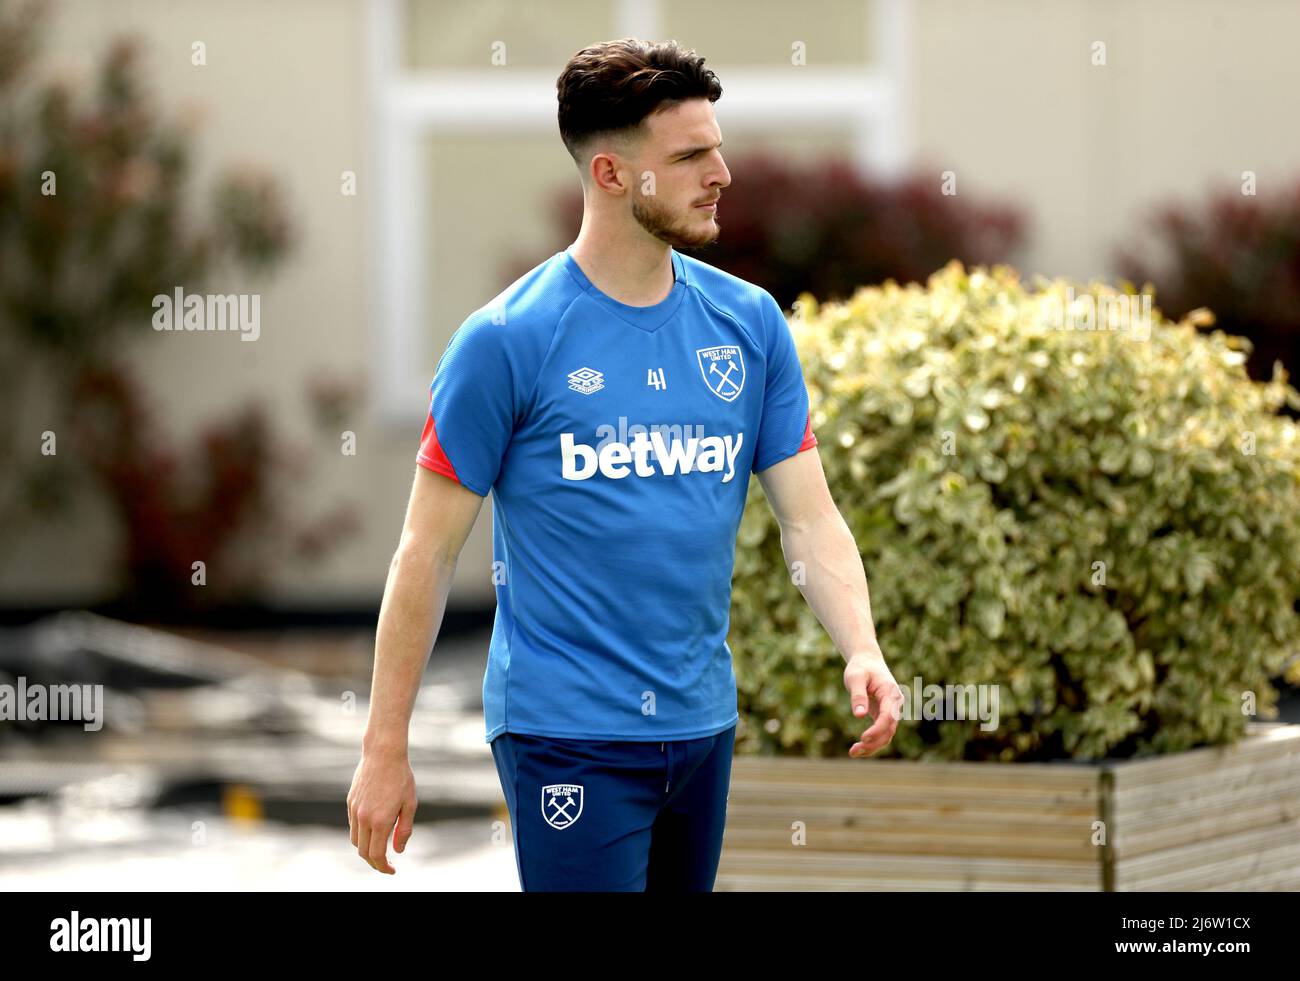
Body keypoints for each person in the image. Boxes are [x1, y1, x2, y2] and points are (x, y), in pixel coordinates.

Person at [347, 37, 903, 890]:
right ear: (611, 175)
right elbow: (425, 551)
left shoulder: (750, 325)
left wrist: (860, 645)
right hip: (565, 732)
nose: (720, 173)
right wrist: (385, 749)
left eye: (717, 147)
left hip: (703, 724)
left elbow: (808, 516)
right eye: (688, 156)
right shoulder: (504, 341)